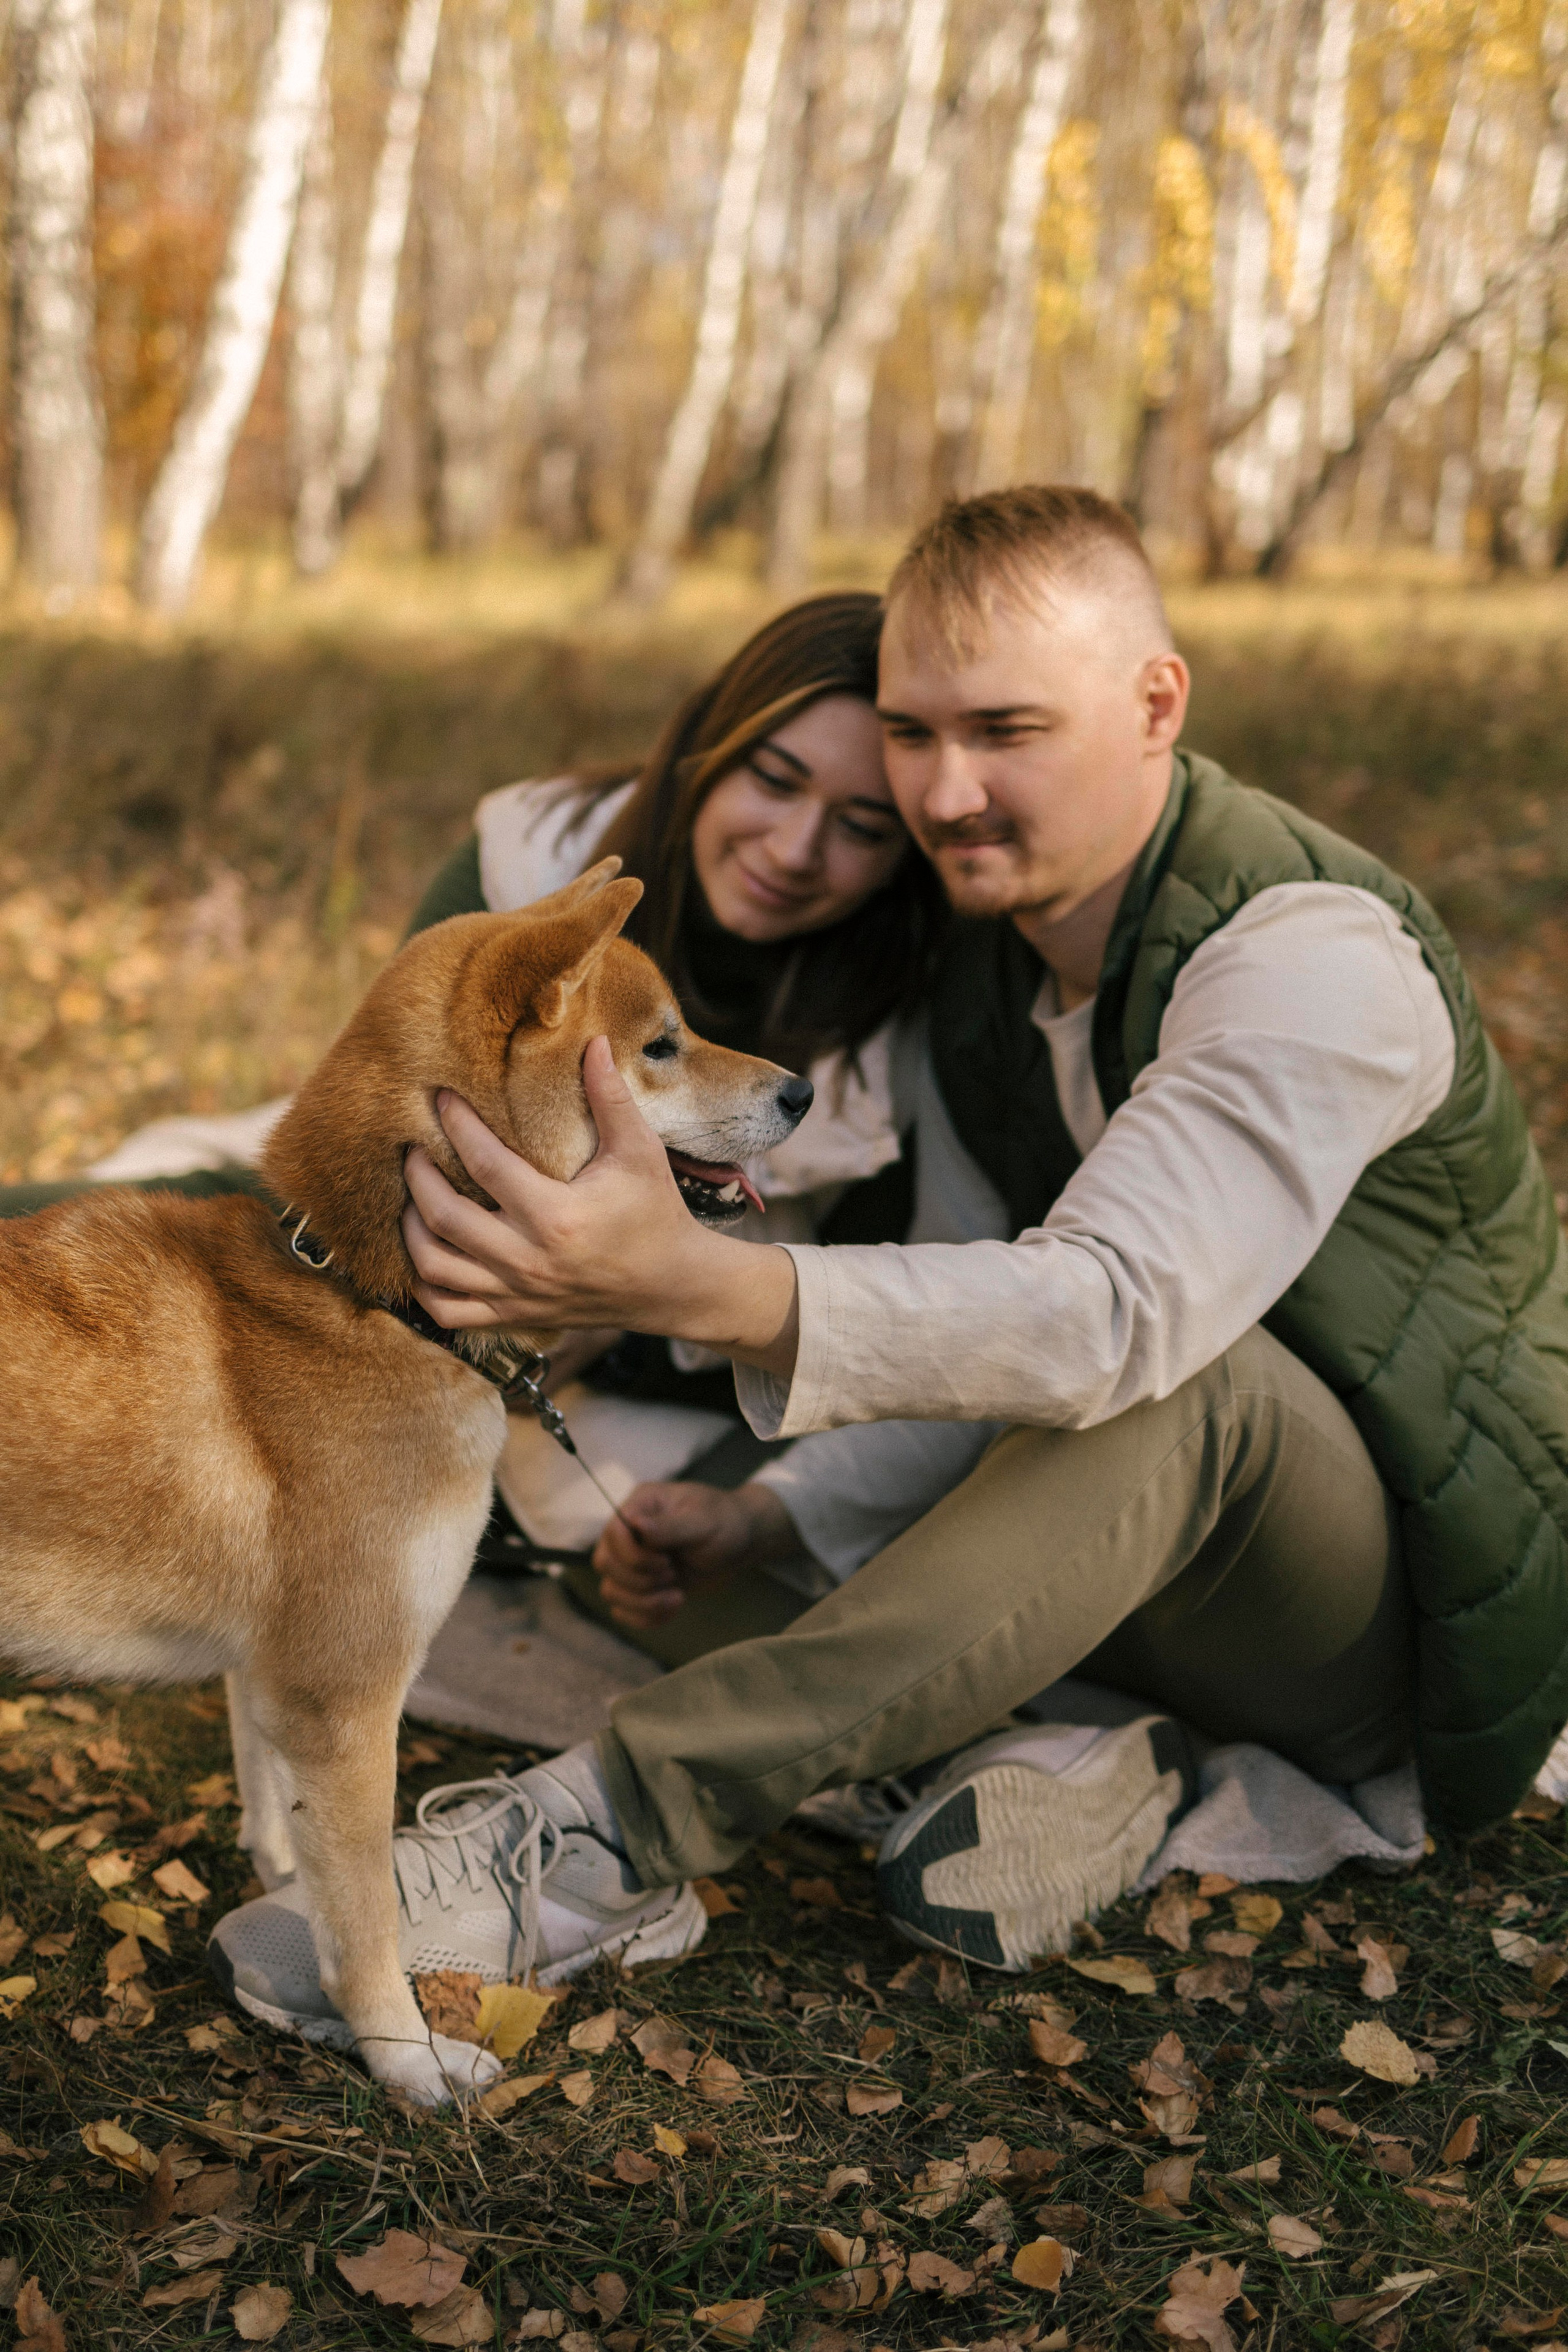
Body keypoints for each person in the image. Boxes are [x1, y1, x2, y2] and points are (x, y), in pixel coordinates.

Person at [212, 486, 1568, 2030]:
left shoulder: (1306, 958)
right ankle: (1067, 1759)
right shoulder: (995, 959)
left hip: (1400, 1627)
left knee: (1193, 1383)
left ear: (1154, 704)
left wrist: (683, 1281)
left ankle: (608, 1831)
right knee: (644, 1566)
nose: (945, 791)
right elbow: (977, 1303)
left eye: (1006, 731)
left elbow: (1106, 1321)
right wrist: (764, 1517)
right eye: (915, 736)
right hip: (1134, 1560)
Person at [4, 593, 949, 1667]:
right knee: (121, 1230)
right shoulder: (529, 858)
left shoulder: (911, 1024)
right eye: (773, 780)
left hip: (672, 1374)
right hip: (406, 1275)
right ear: (705, 749)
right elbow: (386, 1137)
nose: (794, 845)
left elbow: (887, 1321)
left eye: (863, 827)